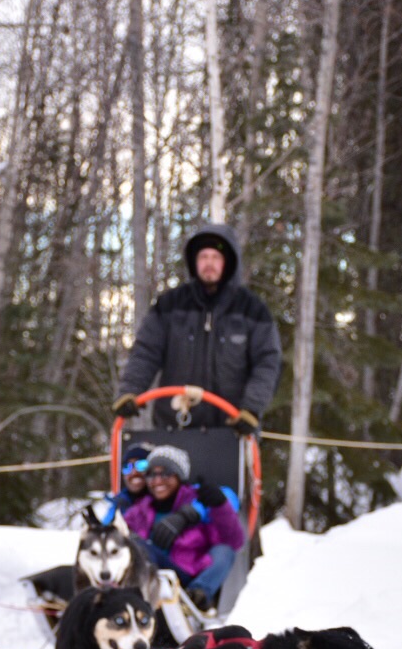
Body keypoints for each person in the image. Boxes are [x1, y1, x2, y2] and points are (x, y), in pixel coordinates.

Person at [112, 223, 282, 432]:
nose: (209, 263)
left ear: (227, 263)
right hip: (174, 426)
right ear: (194, 261)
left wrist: (252, 408)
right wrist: (130, 390)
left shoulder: (252, 310)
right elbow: (146, 352)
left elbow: (267, 362)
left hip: (232, 429)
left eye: (215, 257)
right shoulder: (170, 305)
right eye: (203, 257)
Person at [122, 445, 243, 610]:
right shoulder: (140, 509)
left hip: (188, 573)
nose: (157, 481)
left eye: (165, 473)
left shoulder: (198, 502)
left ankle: (197, 596)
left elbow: (233, 541)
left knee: (225, 551)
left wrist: (220, 506)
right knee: (133, 545)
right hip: (153, 573)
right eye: (151, 474)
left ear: (179, 476)